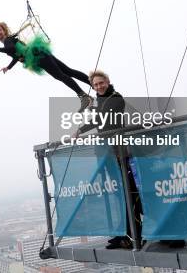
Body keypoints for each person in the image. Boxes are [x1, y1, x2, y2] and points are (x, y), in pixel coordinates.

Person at [78, 70, 143, 250]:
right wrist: (80, 130)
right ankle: (124, 233)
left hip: (118, 152)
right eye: (95, 85)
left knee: (128, 194)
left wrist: (91, 112)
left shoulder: (116, 98)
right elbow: (99, 118)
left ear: (107, 81)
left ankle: (134, 234)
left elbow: (105, 119)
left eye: (101, 83)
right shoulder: (100, 100)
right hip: (108, 153)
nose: (99, 86)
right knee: (118, 195)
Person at [0, 21, 93, 111]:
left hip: (37, 56)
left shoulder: (7, 41)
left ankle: (84, 96)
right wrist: (8, 67)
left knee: (60, 75)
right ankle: (92, 83)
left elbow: (11, 50)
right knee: (68, 71)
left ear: (4, 30)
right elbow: (16, 55)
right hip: (40, 53)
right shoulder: (9, 40)